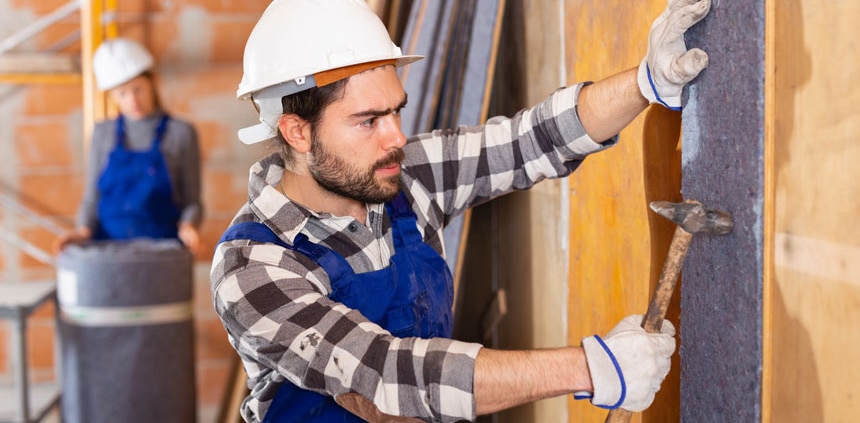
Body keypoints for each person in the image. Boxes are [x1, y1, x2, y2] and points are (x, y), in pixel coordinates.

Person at [210, 0, 710, 422]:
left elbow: (526, 141)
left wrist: (646, 82)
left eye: (396, 110)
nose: (397, 138)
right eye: (368, 121)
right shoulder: (254, 266)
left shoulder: (401, 178)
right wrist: (590, 368)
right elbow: (386, 374)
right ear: (298, 132)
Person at [54, 38, 203, 254]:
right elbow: (91, 197)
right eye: (122, 93)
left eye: (138, 89)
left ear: (152, 82)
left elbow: (192, 201)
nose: (132, 100)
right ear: (112, 95)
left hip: (162, 252)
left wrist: (189, 226)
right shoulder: (102, 133)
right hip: (107, 251)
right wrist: (82, 231)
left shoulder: (181, 133)